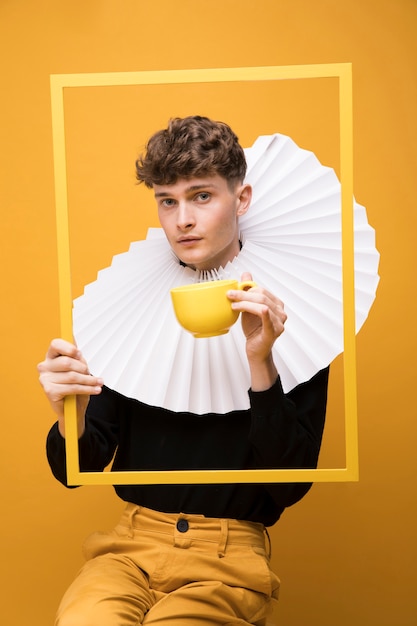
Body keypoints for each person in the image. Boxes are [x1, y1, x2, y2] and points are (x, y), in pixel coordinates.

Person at [38, 116, 329, 626]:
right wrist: (72, 411)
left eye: (201, 196)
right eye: (167, 200)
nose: (182, 220)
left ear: (241, 200)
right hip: (128, 548)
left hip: (229, 558)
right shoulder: (126, 304)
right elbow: (75, 469)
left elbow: (290, 484)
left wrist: (262, 362)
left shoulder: (295, 311)